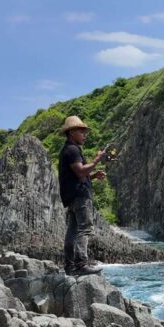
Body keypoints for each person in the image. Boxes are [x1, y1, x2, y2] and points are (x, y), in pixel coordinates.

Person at [58, 116, 107, 275]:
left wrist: (92, 176)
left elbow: (77, 175)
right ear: (71, 132)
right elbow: (80, 171)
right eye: (81, 131)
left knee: (72, 231)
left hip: (72, 197)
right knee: (85, 228)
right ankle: (81, 264)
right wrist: (97, 159)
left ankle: (69, 267)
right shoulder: (72, 150)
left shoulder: (67, 149)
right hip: (80, 197)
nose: (85, 135)